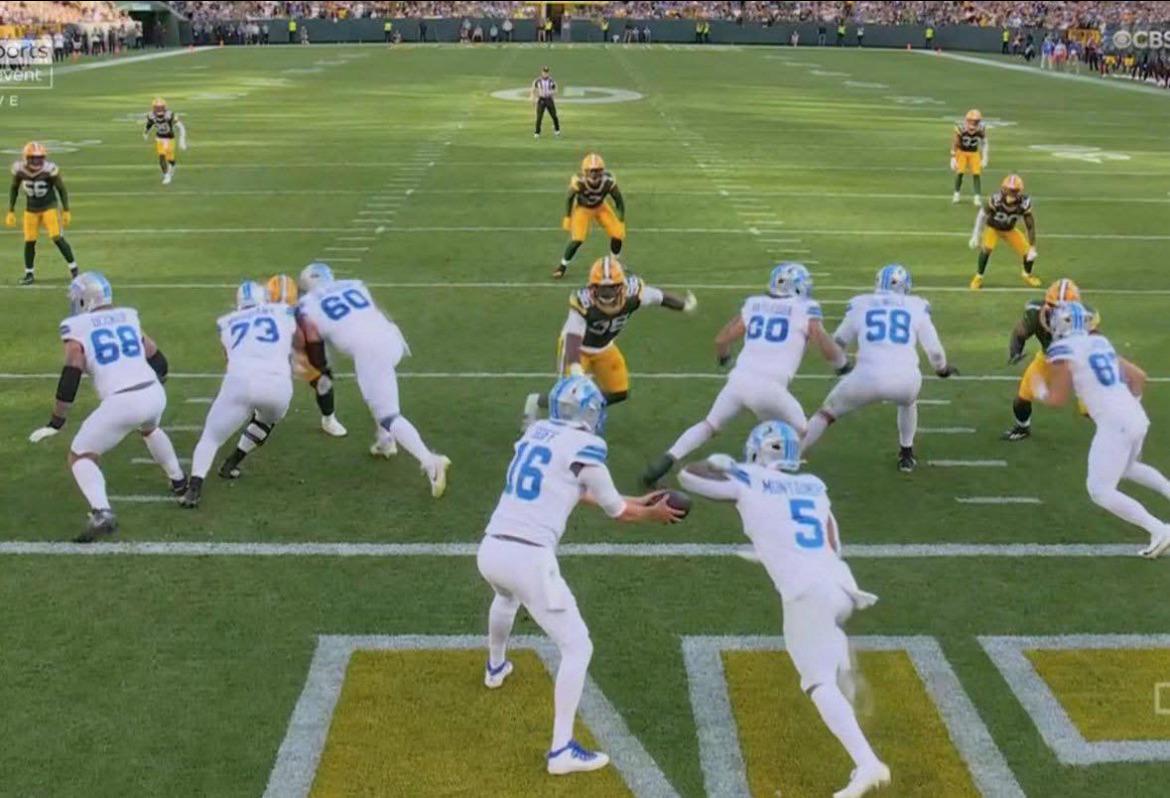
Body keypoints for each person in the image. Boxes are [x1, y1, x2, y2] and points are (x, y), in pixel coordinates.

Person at [478, 374, 683, 775]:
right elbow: (617, 513)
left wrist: (637, 500)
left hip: (491, 548)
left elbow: (572, 487)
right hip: (530, 558)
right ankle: (561, 751)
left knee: (505, 597)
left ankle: (495, 667)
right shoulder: (587, 448)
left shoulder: (537, 433)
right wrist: (653, 515)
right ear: (591, 412)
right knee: (578, 648)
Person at [679, 421, 890, 798]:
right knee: (824, 634)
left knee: (816, 682)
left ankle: (868, 764)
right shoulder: (813, 484)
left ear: (758, 450)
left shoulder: (749, 478)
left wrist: (720, 466)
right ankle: (840, 658)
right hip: (841, 585)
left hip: (806, 592)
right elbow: (832, 542)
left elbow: (688, 477)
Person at [642, 263, 848, 487]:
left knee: (709, 425)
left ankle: (665, 461)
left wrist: (724, 359)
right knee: (801, 430)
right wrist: (842, 364)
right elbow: (823, 344)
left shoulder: (754, 303)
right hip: (770, 388)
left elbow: (721, 340)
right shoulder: (805, 308)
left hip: (738, 381)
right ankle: (766, 477)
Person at [28, 272, 185, 542]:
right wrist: (149, 387)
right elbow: (159, 361)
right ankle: (179, 481)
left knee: (80, 456)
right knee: (150, 428)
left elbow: (71, 374)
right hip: (153, 392)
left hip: (122, 400)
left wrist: (57, 420)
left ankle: (101, 512)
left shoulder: (76, 326)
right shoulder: (128, 316)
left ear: (84, 300)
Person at [296, 262, 450, 496]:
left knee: (388, 414)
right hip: (390, 336)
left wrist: (318, 369)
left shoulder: (307, 305)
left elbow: (315, 347)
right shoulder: (354, 285)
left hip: (369, 351)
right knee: (378, 390)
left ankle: (430, 461)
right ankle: (385, 441)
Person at [1038, 302, 1170, 558]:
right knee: (1128, 467)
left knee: (1099, 490)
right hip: (1136, 416)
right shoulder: (1101, 343)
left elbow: (1057, 399)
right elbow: (1138, 377)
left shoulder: (1063, 350)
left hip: (1115, 423)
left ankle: (1159, 530)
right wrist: (1130, 408)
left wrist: (1037, 389)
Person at [801, 265, 957, 472]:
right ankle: (906, 454)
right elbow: (935, 351)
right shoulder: (916, 305)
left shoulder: (861, 304)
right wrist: (942, 369)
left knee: (826, 413)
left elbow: (838, 342)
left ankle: (790, 454)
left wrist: (841, 365)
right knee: (908, 402)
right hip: (905, 380)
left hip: (866, 377)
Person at [526, 256, 695, 417]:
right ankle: (537, 402)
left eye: (612, 287)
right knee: (569, 399)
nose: (606, 293)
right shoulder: (583, 302)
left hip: (604, 347)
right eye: (601, 287)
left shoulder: (634, 294)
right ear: (592, 287)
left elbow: (660, 297)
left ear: (621, 286)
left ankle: (588, 407)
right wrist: (576, 371)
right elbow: (572, 336)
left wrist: (684, 305)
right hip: (577, 349)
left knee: (619, 392)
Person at [180, 282, 297, 508]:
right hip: (277, 384)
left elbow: (228, 356)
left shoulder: (225, 322)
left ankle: (194, 488)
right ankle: (232, 463)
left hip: (239, 381)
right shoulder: (282, 311)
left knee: (211, 437)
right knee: (266, 420)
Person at [1002, 279, 1097, 441]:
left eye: (1064, 309)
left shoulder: (1087, 318)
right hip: (1049, 357)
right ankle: (1022, 428)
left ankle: (1116, 428)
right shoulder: (1036, 313)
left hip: (1078, 361)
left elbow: (1096, 343)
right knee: (1022, 399)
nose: (1058, 313)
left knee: (1089, 409)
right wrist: (1015, 351)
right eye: (1053, 307)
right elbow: (1020, 333)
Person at [266, 274, 347, 437]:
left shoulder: (305, 310)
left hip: (300, 344)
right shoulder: (260, 308)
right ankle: (258, 410)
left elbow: (307, 338)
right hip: (273, 344)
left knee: (322, 380)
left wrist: (315, 364)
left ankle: (329, 419)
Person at [7, 141, 78, 285]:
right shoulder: (19, 169)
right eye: (33, 158)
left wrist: (66, 209)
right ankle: (29, 274)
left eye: (39, 158)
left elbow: (61, 189)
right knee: (29, 240)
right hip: (31, 209)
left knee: (57, 237)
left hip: (48, 207)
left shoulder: (49, 170)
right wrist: (11, 210)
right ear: (26, 158)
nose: (37, 161)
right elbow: (14, 188)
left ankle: (74, 270)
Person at [555, 153, 624, 278]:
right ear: (585, 171)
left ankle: (614, 264)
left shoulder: (608, 181)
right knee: (577, 239)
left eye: (597, 171)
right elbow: (570, 197)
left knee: (617, 234)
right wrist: (568, 216)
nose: (594, 174)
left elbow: (619, 200)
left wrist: (621, 219)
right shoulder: (579, 182)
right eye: (591, 171)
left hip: (601, 207)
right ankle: (562, 266)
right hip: (583, 209)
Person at [969, 174, 1039, 290]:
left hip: (1009, 230)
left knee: (1028, 252)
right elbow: (982, 215)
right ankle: (978, 277)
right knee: (986, 249)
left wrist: (1032, 246)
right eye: (1009, 190)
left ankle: (1027, 275)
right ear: (1004, 189)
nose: (1011, 193)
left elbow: (1030, 225)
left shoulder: (1024, 203)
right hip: (993, 228)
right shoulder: (996, 200)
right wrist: (976, 235)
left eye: (1014, 191)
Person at [143, 97, 187, 186]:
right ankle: (166, 175)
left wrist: (182, 140)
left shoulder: (170, 115)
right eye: (157, 108)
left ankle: (172, 166)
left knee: (170, 159)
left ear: (164, 107)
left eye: (161, 107)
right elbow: (149, 124)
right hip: (159, 138)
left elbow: (181, 127)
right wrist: (146, 132)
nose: (159, 110)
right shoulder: (151, 115)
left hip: (170, 138)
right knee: (161, 155)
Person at [950, 108, 987, 206]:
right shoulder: (961, 128)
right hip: (961, 152)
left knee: (976, 174)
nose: (973, 123)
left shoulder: (981, 128)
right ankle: (956, 194)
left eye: (976, 121)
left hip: (974, 152)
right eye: (972, 121)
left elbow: (984, 142)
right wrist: (953, 156)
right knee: (960, 173)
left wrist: (984, 157)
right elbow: (955, 142)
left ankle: (977, 197)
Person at [532, 65, 560, 138]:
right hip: (541, 99)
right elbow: (534, 90)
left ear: (548, 73)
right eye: (544, 72)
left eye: (546, 72)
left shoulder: (551, 81)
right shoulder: (538, 81)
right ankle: (537, 132)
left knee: (554, 115)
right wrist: (534, 99)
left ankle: (557, 130)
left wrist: (550, 92)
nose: (545, 74)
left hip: (549, 99)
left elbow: (556, 90)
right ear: (542, 72)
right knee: (539, 117)